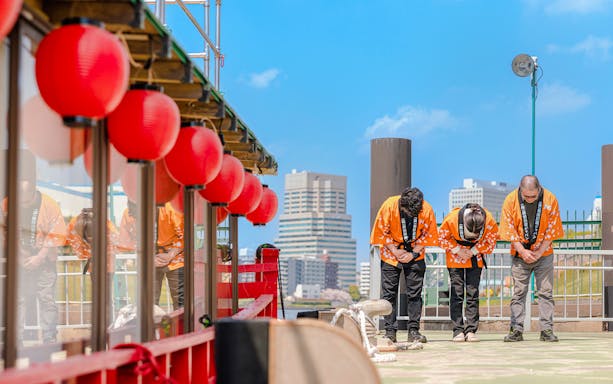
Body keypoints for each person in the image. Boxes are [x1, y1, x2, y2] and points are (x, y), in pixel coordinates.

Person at [2, 150, 67, 344]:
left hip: (44, 261)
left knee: (46, 299)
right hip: (20, 259)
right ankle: (16, 339)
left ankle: (49, 338)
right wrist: (20, 256)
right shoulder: (6, 204)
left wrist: (39, 257)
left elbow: (57, 233)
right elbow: (4, 231)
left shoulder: (49, 204)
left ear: (32, 190)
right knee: (18, 299)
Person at [499, 175, 564, 342]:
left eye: (533, 196)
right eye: (525, 196)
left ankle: (547, 330)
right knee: (519, 293)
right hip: (520, 254)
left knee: (546, 292)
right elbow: (508, 229)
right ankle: (516, 330)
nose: (529, 199)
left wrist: (540, 251)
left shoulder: (550, 199)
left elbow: (553, 228)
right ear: (520, 189)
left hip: (544, 253)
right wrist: (522, 251)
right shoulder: (510, 200)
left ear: (539, 189)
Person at [370, 187, 438, 343]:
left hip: (416, 251)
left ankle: (414, 330)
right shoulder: (389, 205)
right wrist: (395, 251)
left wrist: (413, 253)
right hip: (390, 250)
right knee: (389, 294)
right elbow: (381, 232)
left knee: (415, 294)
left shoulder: (426, 209)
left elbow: (429, 235)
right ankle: (389, 331)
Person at [438, 203, 498, 342]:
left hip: (475, 257)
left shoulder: (489, 220)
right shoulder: (452, 218)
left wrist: (472, 251)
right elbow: (441, 238)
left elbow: (491, 241)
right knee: (456, 293)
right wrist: (458, 250)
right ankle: (457, 330)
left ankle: (471, 330)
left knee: (472, 293)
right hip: (455, 257)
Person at [119, 201, 184, 310]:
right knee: (148, 302)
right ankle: (151, 326)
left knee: (181, 302)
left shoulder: (170, 209)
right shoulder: (128, 214)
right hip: (148, 260)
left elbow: (185, 235)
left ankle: (182, 326)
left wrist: (170, 254)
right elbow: (125, 241)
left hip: (176, 258)